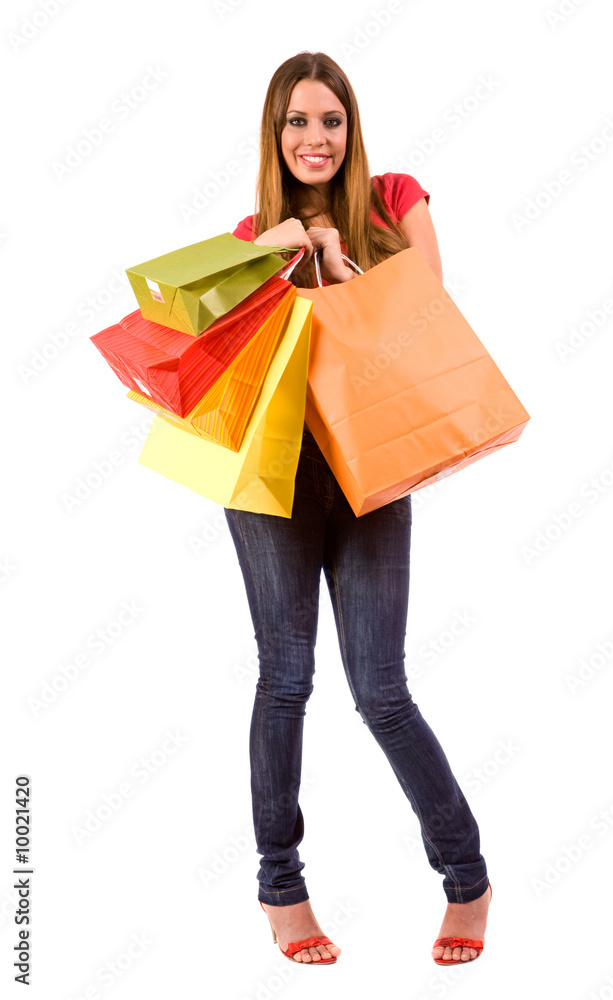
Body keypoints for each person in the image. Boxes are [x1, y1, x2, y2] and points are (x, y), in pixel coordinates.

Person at [227, 51, 492, 966]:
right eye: (296, 122)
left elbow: (426, 328)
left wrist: (337, 267)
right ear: (275, 133)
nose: (314, 139)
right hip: (276, 480)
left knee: (381, 690)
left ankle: (467, 877)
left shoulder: (395, 200)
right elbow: (231, 369)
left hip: (370, 473)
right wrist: (261, 264)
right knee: (284, 678)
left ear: (351, 127)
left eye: (329, 120)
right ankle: (280, 887)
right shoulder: (248, 234)